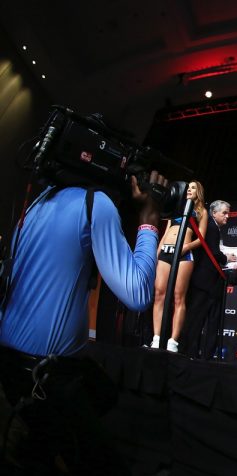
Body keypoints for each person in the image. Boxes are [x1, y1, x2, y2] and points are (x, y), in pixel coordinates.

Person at [0, 171, 167, 473]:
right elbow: (138, 294)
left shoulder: (36, 203)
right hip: (46, 375)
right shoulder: (94, 203)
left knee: (103, 393)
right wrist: (150, 217)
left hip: (10, 365)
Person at [151, 180, 208, 352]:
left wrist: (186, 247)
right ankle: (156, 337)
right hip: (166, 252)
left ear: (198, 191)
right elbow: (166, 231)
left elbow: (201, 238)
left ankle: (173, 341)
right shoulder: (176, 208)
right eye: (188, 188)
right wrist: (157, 252)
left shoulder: (201, 211)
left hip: (184, 253)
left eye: (193, 188)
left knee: (178, 296)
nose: (189, 190)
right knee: (159, 293)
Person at [182, 200, 237, 359]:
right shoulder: (212, 227)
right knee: (195, 319)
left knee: (198, 319)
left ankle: (192, 353)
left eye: (228, 213)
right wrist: (226, 257)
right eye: (224, 213)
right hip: (203, 281)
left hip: (207, 282)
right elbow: (213, 253)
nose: (227, 216)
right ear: (214, 213)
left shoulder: (213, 227)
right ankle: (188, 352)